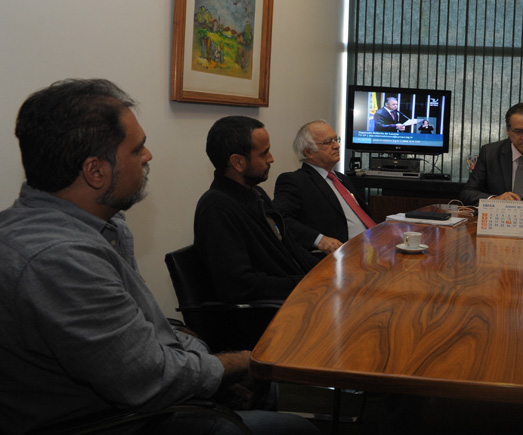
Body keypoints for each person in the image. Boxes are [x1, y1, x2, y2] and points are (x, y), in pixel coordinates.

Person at [0, 79, 316, 434]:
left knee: (264, 393)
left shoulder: (100, 227)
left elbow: (145, 335)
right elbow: (149, 379)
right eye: (137, 150)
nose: (148, 157)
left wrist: (206, 361)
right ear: (96, 171)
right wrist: (243, 362)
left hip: (144, 395)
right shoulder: (59, 259)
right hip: (115, 421)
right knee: (297, 428)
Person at [194, 116, 317, 303]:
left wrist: (329, 274)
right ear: (238, 162)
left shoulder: (255, 193)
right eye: (263, 153)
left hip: (299, 296)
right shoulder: (216, 208)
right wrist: (307, 284)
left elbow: (291, 249)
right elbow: (239, 286)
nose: (271, 159)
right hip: (270, 315)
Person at [274, 120, 375, 256]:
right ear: (308, 152)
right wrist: (319, 239)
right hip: (343, 255)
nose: (337, 146)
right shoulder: (295, 181)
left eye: (336, 139)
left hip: (372, 247)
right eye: (328, 142)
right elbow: (279, 219)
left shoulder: (341, 178)